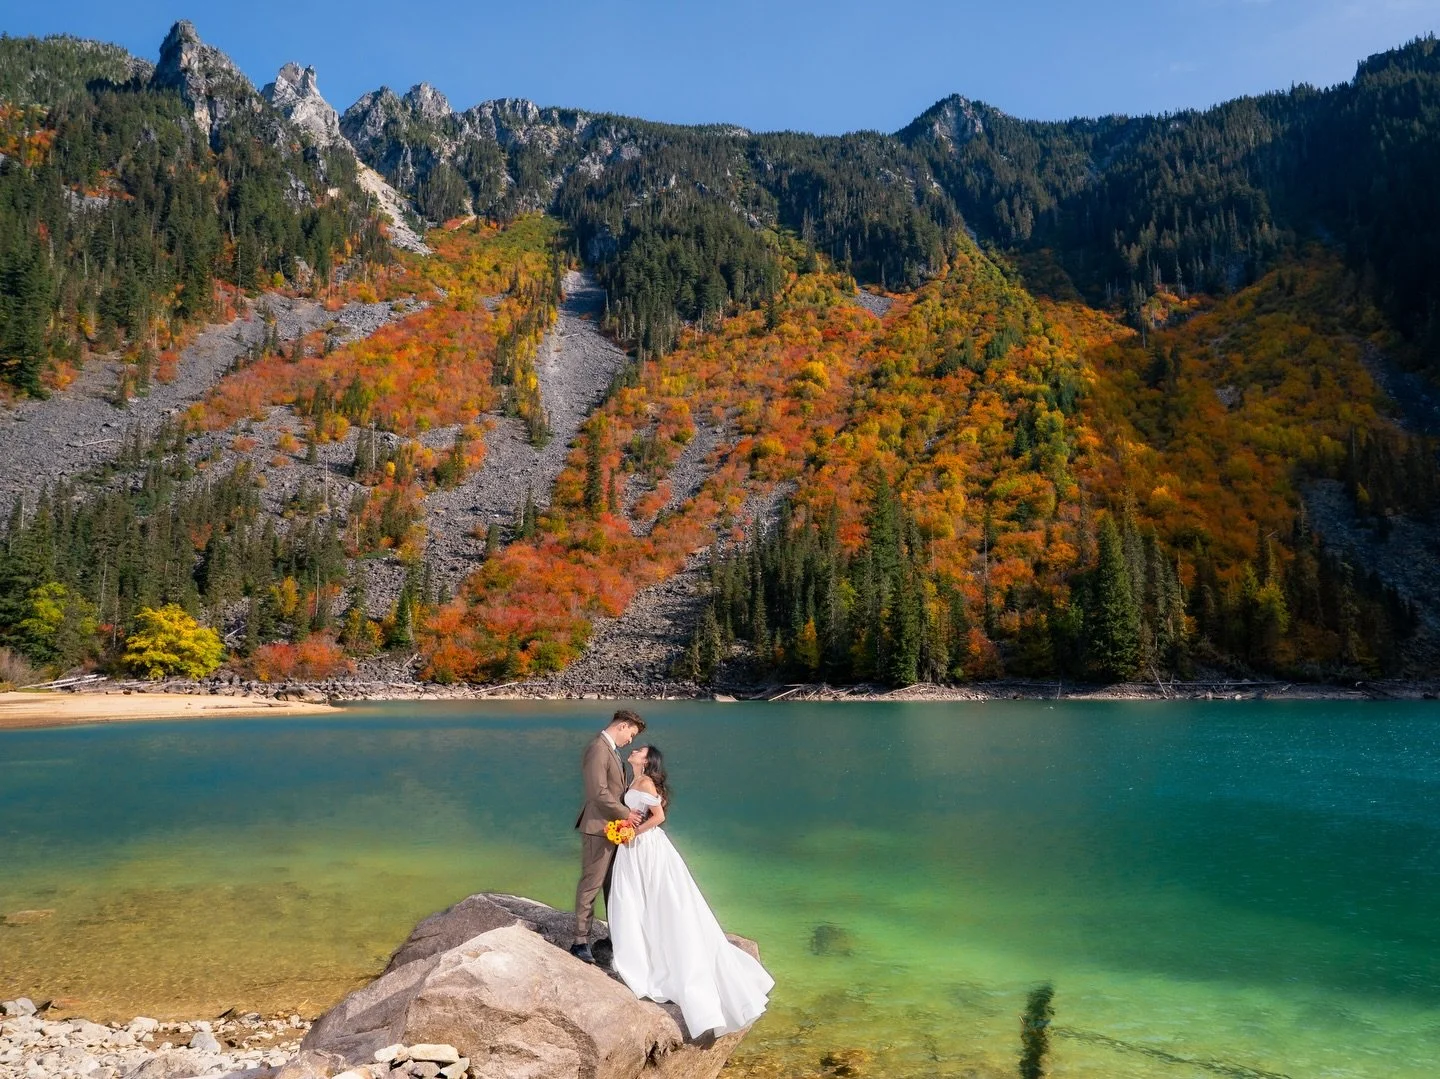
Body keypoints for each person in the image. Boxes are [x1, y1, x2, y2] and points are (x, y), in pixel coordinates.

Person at [608, 743, 774, 1040]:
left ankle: (653, 960)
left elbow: (658, 817)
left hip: (645, 847)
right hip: (634, 848)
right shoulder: (634, 779)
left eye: (639, 750)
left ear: (647, 761)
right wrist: (625, 824)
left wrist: (633, 832)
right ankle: (640, 952)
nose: (633, 750)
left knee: (653, 901)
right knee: (633, 899)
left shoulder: (644, 782)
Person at [571, 709, 645, 964]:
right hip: (598, 828)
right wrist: (627, 813)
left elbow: (617, 790)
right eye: (632, 734)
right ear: (622, 726)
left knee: (614, 886)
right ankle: (580, 941)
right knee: (591, 883)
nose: (630, 741)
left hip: (615, 829)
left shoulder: (612, 750)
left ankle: (616, 937)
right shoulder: (598, 748)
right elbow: (597, 792)